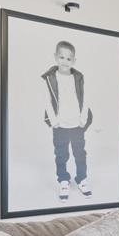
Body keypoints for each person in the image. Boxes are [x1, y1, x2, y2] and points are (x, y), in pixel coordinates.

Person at [41, 40, 93, 202]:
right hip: (60, 125)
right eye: (61, 57)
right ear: (55, 57)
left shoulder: (78, 78)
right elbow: (47, 101)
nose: (64, 61)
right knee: (61, 154)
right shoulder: (50, 78)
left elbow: (86, 99)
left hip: (77, 124)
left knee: (80, 153)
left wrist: (83, 118)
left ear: (74, 61)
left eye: (68, 59)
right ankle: (63, 180)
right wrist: (54, 120)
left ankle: (81, 179)